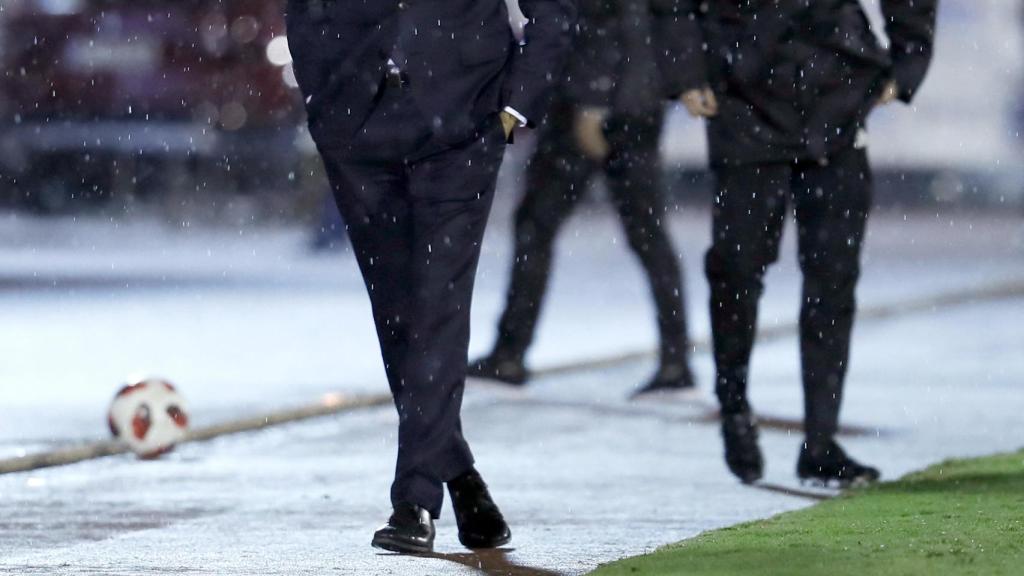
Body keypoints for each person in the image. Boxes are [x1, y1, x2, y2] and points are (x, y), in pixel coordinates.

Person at [285, 0, 576, 553]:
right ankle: (461, 478)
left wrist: (517, 105)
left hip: (464, 123)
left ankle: (414, 498)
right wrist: (321, 94)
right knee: (398, 316)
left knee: (438, 305)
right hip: (355, 123)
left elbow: (556, 12)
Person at [677, 0, 937, 485]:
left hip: (834, 88)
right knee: (736, 269)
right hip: (742, 91)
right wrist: (686, 70)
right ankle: (734, 404)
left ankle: (820, 441)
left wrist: (908, 61)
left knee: (833, 275)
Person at [470, 0, 703, 396]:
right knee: (647, 233)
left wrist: (592, 102)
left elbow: (606, 21)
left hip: (594, 107)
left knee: (537, 225)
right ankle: (675, 357)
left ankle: (511, 351)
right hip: (637, 102)